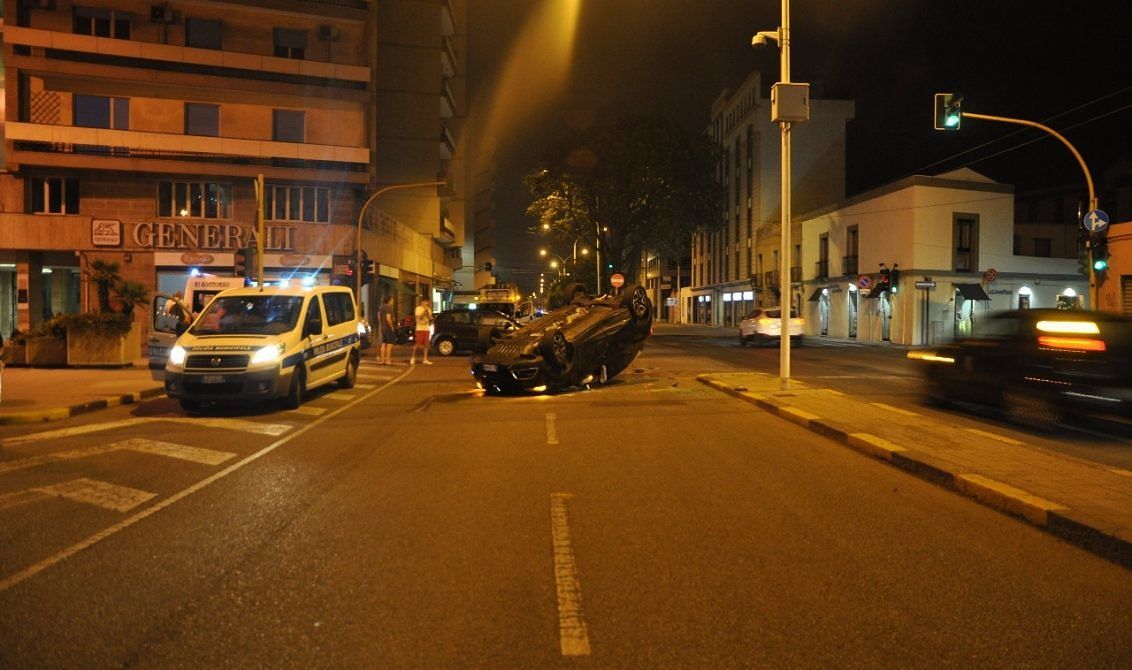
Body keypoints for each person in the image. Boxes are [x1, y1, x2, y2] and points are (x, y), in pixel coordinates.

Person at [410, 297, 433, 365]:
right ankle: (413, 358)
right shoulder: (418, 309)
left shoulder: (429, 309)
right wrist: (424, 311)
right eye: (425, 302)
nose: (427, 303)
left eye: (427, 302)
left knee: (426, 345)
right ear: (422, 302)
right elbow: (419, 318)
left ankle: (425, 359)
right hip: (419, 329)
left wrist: (428, 313)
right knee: (417, 344)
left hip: (426, 328)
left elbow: (430, 318)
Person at [378, 295, 397, 365]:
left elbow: (379, 317)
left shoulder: (381, 307)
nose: (392, 301)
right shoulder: (389, 308)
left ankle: (382, 360)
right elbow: (388, 318)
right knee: (389, 344)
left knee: (383, 344)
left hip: (383, 328)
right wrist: (391, 327)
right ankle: (388, 360)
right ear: (389, 300)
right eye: (392, 300)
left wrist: (381, 325)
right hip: (388, 328)